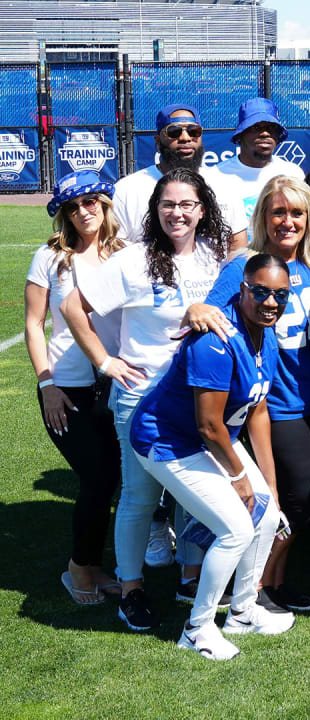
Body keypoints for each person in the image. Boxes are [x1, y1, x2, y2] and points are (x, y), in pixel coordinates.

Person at [62, 167, 232, 631]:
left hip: (199, 397)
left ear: (202, 210)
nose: (177, 213)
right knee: (139, 496)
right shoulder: (133, 259)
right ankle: (131, 589)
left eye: (186, 204)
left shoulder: (211, 256)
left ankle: (190, 577)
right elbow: (72, 307)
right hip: (142, 398)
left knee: (195, 497)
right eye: (167, 204)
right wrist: (105, 362)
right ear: (155, 210)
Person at [129, 254, 295, 660]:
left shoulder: (265, 332)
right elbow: (208, 425)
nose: (271, 302)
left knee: (268, 513)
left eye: (280, 295)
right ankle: (197, 628)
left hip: (212, 437)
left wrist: (268, 487)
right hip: (168, 440)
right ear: (242, 290)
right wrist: (240, 480)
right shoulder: (215, 339)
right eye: (261, 292)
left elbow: (257, 409)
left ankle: (241, 611)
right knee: (236, 528)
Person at [185, 176, 310, 613]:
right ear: (262, 217)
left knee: (308, 500)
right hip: (278, 403)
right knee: (292, 498)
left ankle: (276, 581)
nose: (287, 221)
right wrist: (195, 308)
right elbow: (211, 316)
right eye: (278, 212)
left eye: (297, 213)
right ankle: (260, 588)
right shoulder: (243, 266)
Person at [24, 171, 124, 605]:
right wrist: (46, 384)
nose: (84, 211)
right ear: (64, 213)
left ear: (104, 204)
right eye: (73, 206)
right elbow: (32, 322)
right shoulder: (49, 257)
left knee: (115, 480)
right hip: (66, 387)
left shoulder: (127, 253)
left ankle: (96, 566)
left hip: (117, 384)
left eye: (91, 202)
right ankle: (78, 570)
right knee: (97, 478)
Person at [112, 104, 248, 246]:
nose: (185, 138)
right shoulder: (127, 190)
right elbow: (115, 247)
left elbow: (237, 248)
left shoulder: (225, 185)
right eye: (174, 131)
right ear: (158, 141)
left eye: (193, 131)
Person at [203, 98, 305, 236]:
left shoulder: (293, 173)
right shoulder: (214, 176)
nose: (265, 133)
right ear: (240, 135)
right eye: (256, 127)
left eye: (271, 128)